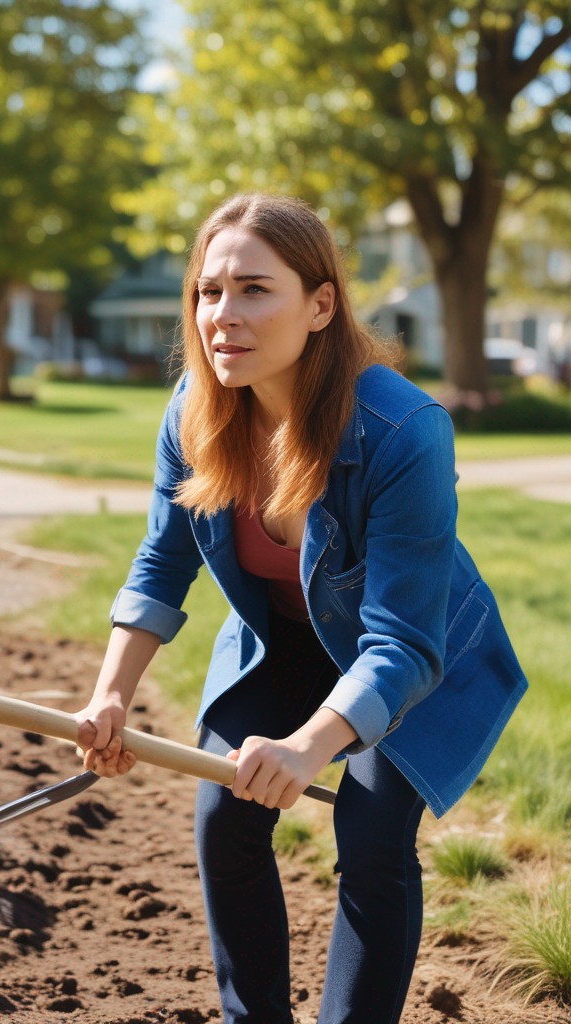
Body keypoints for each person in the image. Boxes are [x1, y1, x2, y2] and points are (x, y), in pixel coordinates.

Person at [74, 192, 527, 1024]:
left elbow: (400, 642)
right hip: (281, 640)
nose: (222, 316)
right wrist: (111, 693)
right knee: (224, 817)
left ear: (321, 305)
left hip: (411, 660)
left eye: (254, 289)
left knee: (373, 830)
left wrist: (310, 744)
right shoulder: (194, 414)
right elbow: (162, 560)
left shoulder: (403, 429)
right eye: (208, 292)